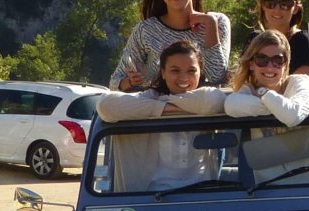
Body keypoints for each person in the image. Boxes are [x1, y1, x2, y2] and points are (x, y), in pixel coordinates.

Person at [94, 40, 229, 190]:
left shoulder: (204, 97)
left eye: (191, 71)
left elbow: (215, 101)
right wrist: (163, 107)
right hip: (153, 197)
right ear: (163, 73)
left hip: (204, 195)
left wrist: (160, 106)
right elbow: (105, 105)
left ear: (200, 72)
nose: (184, 78)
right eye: (175, 71)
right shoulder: (152, 97)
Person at [113, 0, 231, 91]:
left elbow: (217, 78)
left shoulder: (217, 22)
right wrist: (132, 81)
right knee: (106, 103)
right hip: (155, 105)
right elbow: (115, 82)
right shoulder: (146, 30)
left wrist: (210, 24)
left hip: (199, 107)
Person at [224, 29, 309, 127]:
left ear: (286, 65)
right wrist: (275, 107)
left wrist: (263, 93)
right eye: (262, 59)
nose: (270, 67)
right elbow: (231, 105)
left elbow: (291, 116)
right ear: (251, 64)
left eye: (278, 60)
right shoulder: (247, 90)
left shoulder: (300, 83)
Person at [253, 0, 309, 80]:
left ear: (296, 8)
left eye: (285, 4)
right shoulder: (253, 39)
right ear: (263, 5)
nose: (277, 9)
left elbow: (305, 80)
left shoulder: (301, 39)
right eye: (271, 3)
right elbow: (240, 78)